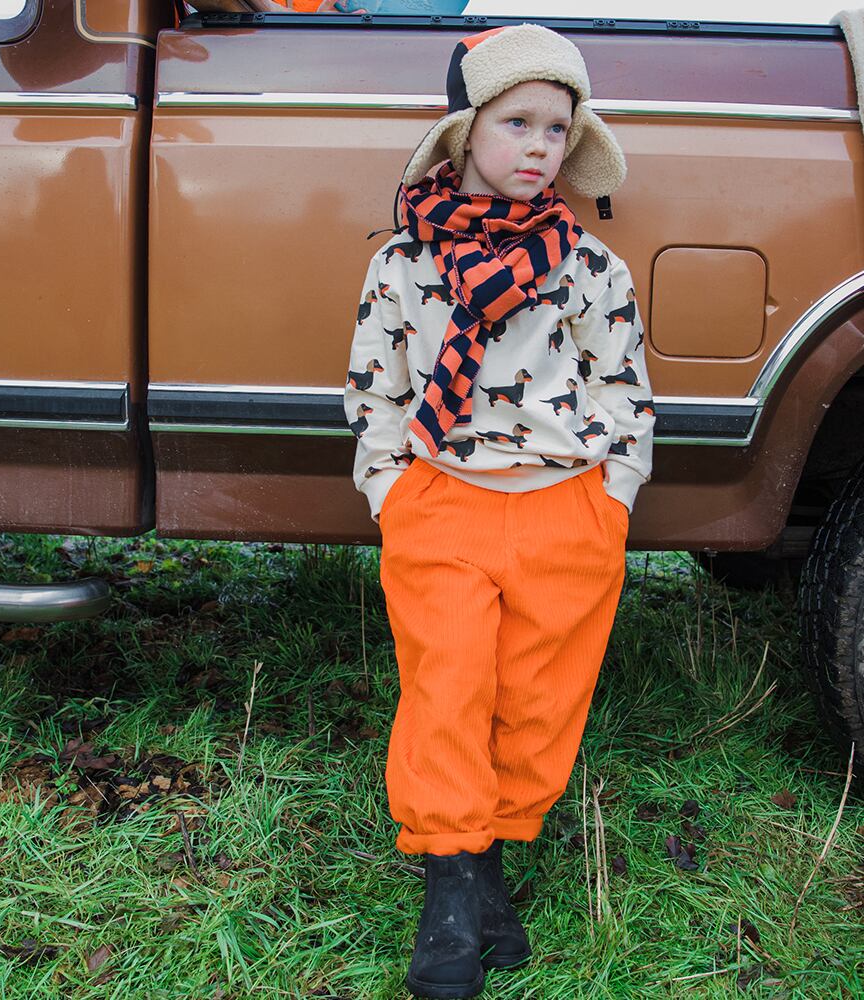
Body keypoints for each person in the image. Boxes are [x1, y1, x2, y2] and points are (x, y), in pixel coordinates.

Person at [343, 23, 655, 999]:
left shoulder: (590, 267)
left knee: (536, 699)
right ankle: (449, 889)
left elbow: (624, 391)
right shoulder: (405, 263)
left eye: (557, 130)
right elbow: (378, 388)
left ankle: (490, 863)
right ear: (464, 132)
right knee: (446, 688)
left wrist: (612, 496)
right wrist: (391, 489)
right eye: (517, 123)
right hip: (442, 502)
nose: (538, 147)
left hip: (565, 508)